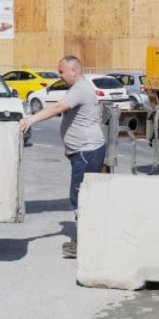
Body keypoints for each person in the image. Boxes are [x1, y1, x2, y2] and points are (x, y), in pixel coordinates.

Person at [19, 55, 105, 259]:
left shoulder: (80, 89)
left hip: (87, 152)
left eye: (61, 71)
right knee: (81, 195)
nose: (59, 75)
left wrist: (31, 120)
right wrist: (69, 149)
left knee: (80, 197)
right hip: (83, 152)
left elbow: (58, 108)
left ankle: (86, 243)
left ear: (73, 71)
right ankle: (87, 239)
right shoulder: (79, 87)